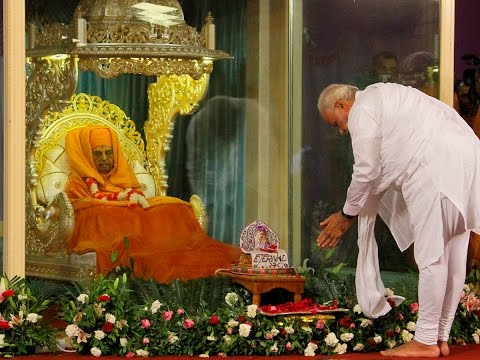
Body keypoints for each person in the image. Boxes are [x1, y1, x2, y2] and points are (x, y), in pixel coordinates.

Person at [316, 83, 480, 357]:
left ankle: (426, 341)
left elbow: (367, 170)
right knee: (453, 252)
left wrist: (347, 214)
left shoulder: (363, 108)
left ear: (342, 105)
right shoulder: (388, 95)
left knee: (432, 256)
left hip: (435, 168)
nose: (342, 131)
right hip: (468, 159)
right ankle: (440, 336)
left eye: (336, 124)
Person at [64, 126, 240, 283]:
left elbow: (139, 196)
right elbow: (81, 206)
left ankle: (181, 246)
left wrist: (127, 198)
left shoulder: (122, 175)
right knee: (105, 213)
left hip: (142, 219)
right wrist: (117, 204)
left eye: (108, 152)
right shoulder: (77, 182)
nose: (104, 158)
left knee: (175, 205)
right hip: (119, 232)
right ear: (87, 155)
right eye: (97, 153)